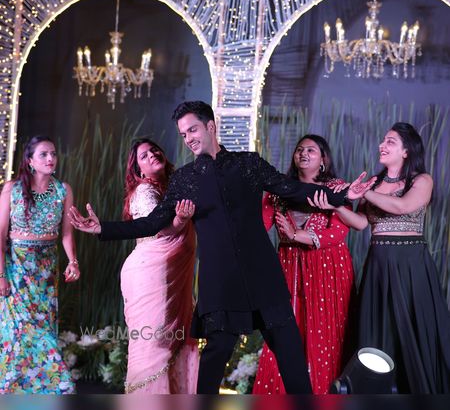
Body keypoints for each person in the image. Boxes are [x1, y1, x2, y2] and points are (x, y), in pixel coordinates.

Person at [69, 101, 375, 394]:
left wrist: (343, 195)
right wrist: (102, 228)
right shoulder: (186, 179)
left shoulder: (248, 163)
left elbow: (292, 188)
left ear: (211, 126)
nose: (188, 138)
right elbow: (152, 223)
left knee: (290, 353)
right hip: (221, 281)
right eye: (183, 134)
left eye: (192, 130)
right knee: (216, 354)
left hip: (263, 274)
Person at [310, 122, 450, 393]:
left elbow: (402, 206)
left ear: (407, 151)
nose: (381, 146)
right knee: (378, 331)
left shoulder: (421, 180)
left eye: (390, 142)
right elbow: (361, 223)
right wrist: (335, 205)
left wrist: (363, 192)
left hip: (410, 264)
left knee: (413, 328)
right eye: (383, 141)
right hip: (378, 264)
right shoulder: (374, 182)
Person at [253, 135, 356, 394]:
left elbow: (339, 232)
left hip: (328, 268)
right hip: (288, 267)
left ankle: (325, 394)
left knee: (326, 332)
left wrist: (298, 235)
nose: (303, 153)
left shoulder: (336, 188)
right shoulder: (278, 189)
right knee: (286, 331)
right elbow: (258, 227)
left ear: (323, 159)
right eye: (299, 149)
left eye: (311, 150)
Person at [0, 135, 79, 394]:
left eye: (53, 153)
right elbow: (0, 234)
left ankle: (44, 392)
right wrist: (1, 275)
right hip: (16, 270)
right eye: (43, 154)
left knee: (43, 332)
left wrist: (73, 261)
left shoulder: (63, 190)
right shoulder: (12, 189)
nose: (50, 158)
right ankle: (12, 390)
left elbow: (66, 233)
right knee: (19, 333)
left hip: (46, 272)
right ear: (30, 161)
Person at [120, 138, 199, 394]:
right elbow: (159, 230)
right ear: (139, 170)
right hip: (150, 274)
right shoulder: (144, 191)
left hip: (172, 273)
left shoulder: (175, 187)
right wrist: (180, 220)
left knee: (175, 341)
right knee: (155, 347)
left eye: (154, 150)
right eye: (144, 156)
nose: (152, 155)